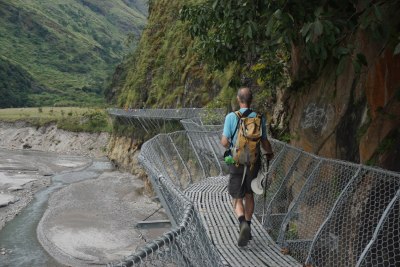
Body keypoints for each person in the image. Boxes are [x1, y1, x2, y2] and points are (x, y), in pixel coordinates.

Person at [221, 87, 274, 247]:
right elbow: (264, 141)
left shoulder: (231, 117)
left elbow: (224, 142)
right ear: (251, 100)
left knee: (237, 197)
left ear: (239, 99)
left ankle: (242, 222)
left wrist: (230, 143)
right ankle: (249, 225)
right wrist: (270, 152)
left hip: (237, 162)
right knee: (249, 194)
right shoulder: (259, 117)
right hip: (254, 162)